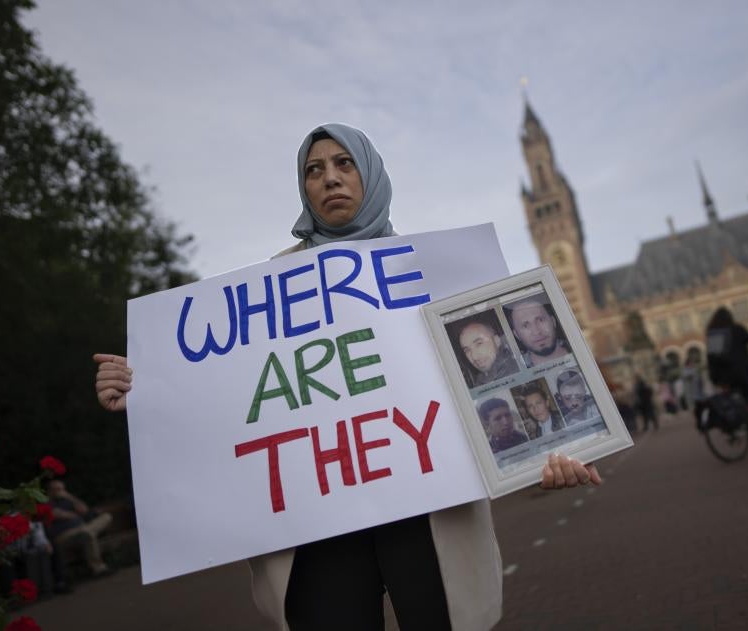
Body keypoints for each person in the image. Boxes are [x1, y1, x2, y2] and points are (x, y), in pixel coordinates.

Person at [93, 123, 601, 631]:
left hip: (429, 512)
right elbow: (224, 398)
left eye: (344, 164)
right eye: (314, 170)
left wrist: (555, 452)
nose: (330, 178)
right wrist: (146, 388)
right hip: (317, 527)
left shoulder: (439, 274)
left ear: (371, 174)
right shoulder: (262, 296)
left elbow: (497, 378)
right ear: (303, 188)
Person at [705, 306, 748, 441]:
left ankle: (737, 426)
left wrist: (716, 378)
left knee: (734, 400)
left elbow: (712, 358)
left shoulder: (714, 334)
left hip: (723, 377)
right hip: (742, 373)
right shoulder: (737, 329)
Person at [46, 479, 113, 578]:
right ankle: (99, 569)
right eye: (57, 489)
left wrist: (70, 497)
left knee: (106, 517)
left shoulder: (67, 500)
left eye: (62, 489)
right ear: (50, 491)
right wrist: (74, 515)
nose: (60, 492)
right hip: (64, 536)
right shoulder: (47, 503)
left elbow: (84, 510)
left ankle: (88, 531)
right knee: (88, 534)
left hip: (82, 529)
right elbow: (58, 514)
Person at [504, 296, 570, 367]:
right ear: (517, 335)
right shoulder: (515, 369)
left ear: (553, 321)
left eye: (540, 320)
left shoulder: (579, 346)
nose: (536, 332)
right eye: (525, 325)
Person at [456, 318, 519, 387]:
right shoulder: (480, 381)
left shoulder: (515, 370)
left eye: (479, 343)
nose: (474, 357)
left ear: (497, 341)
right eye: (467, 350)